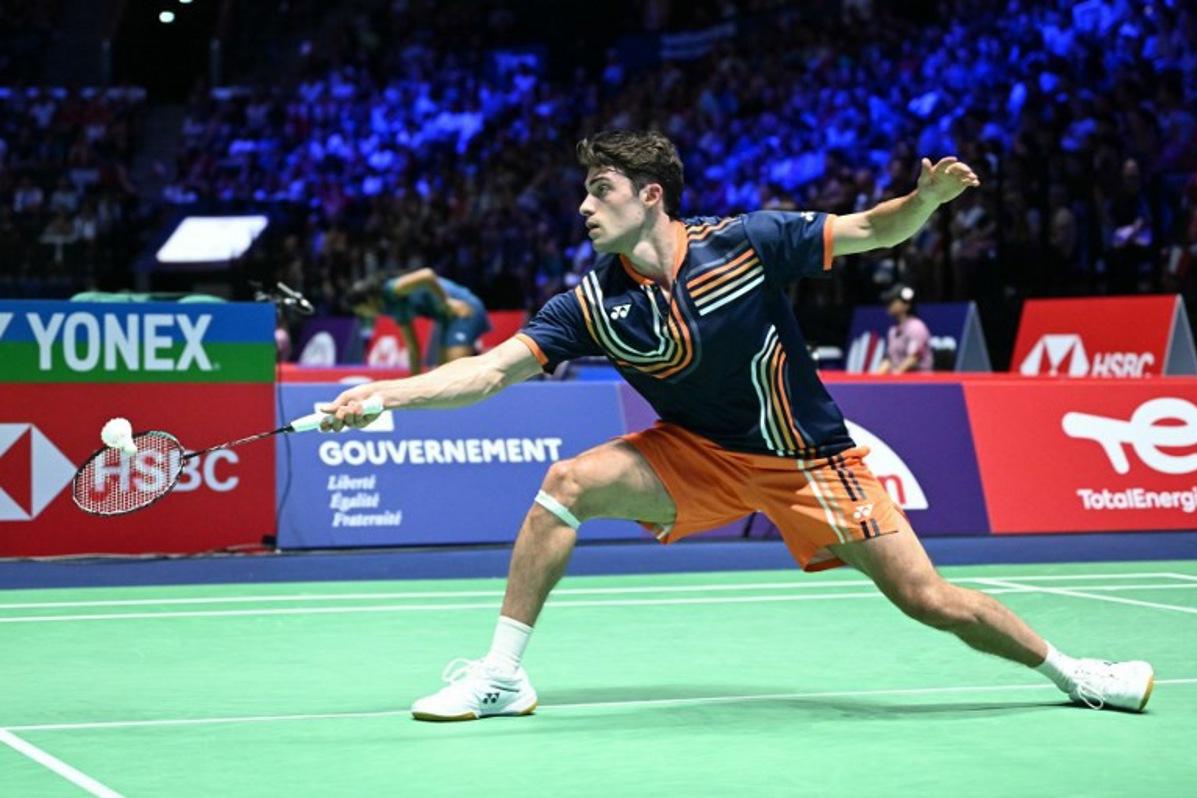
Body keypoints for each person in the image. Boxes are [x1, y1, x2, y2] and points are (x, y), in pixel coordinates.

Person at [321, 130, 1154, 720]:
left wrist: (925, 200)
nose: (583, 207)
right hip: (699, 455)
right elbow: (488, 371)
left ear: (650, 196)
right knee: (565, 485)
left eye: (599, 191)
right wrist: (383, 396)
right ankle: (501, 675)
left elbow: (871, 229)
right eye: (583, 193)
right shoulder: (591, 303)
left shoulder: (747, 244)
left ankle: (1077, 673)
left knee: (925, 598)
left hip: (808, 459)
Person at [349, 268, 491, 374]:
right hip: (448, 319)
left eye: (362, 310)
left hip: (463, 308)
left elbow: (427, 275)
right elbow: (413, 348)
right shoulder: (391, 309)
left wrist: (447, 301)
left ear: (368, 300)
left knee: (455, 371)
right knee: (443, 374)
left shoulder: (393, 289)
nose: (364, 315)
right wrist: (413, 383)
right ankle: (478, 356)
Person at [874, 283, 934, 374]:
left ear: (906, 305)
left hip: (919, 382)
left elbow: (914, 357)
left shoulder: (916, 327)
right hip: (899, 382)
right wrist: (874, 379)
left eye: (892, 301)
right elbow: (889, 359)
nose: (888, 305)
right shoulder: (893, 331)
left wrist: (895, 376)